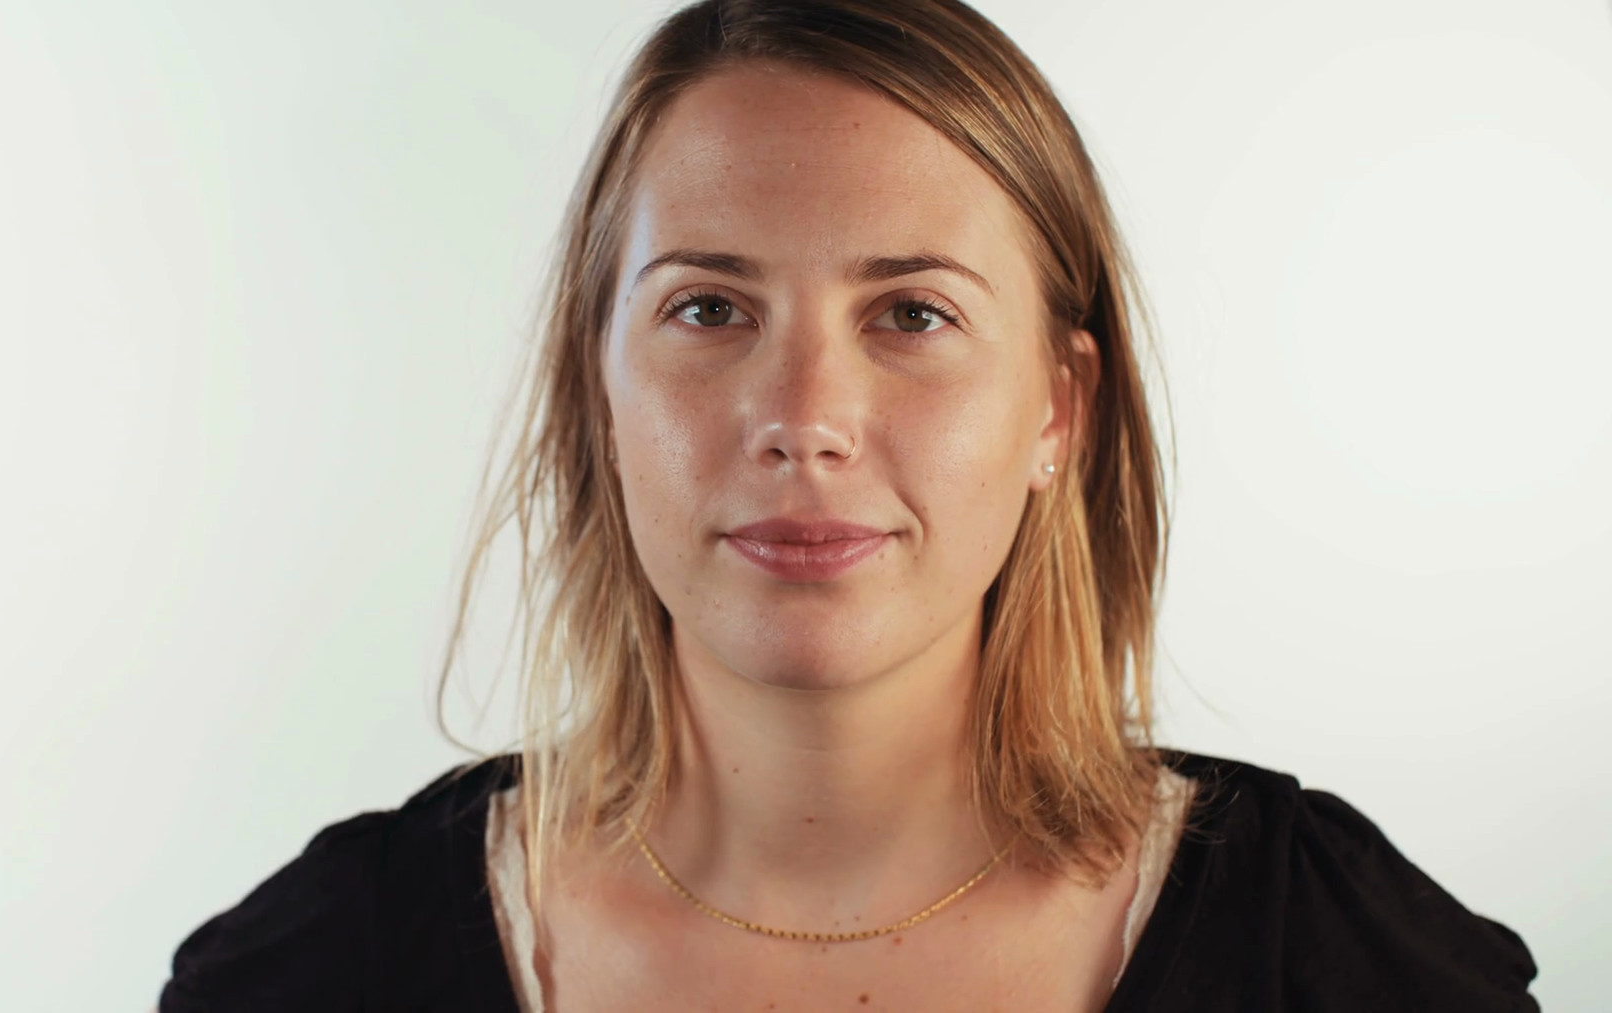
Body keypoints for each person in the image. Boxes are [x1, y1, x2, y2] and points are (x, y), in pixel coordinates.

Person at [153, 1, 1539, 1009]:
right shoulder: (322, 967)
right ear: (596, 395)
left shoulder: (1337, 960)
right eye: (709, 308)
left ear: (1058, 408)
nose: (804, 419)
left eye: (912, 315)